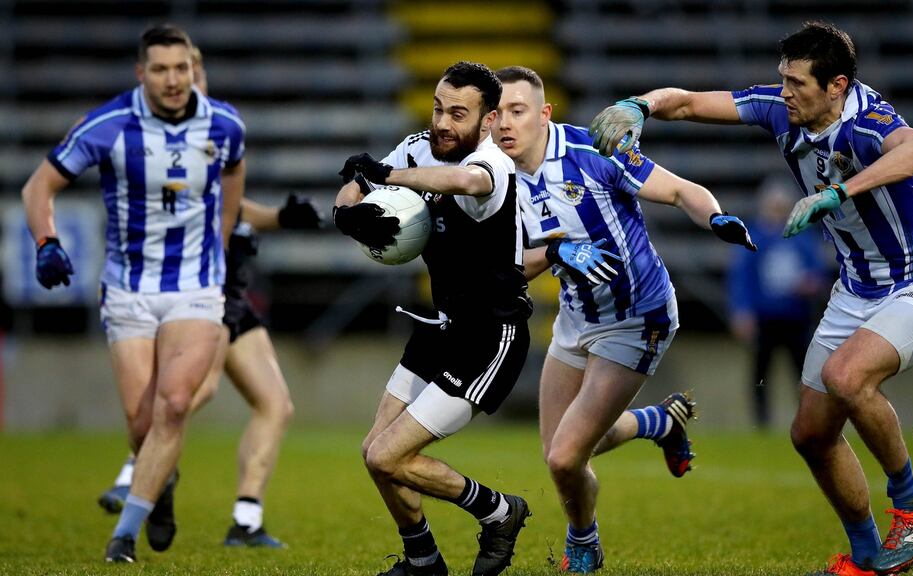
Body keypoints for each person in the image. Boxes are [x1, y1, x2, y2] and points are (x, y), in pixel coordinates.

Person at [590, 20, 913, 576]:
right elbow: (690, 103)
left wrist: (839, 191)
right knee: (811, 435)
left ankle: (912, 507)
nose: (785, 91)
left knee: (847, 377)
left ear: (836, 86)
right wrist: (639, 105)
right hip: (856, 290)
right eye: (783, 79)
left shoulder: (867, 120)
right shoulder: (780, 109)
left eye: (797, 82)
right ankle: (867, 558)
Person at [492, 66, 756, 573]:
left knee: (567, 457)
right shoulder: (491, 178)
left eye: (517, 111)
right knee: (560, 451)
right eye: (496, 113)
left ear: (544, 114)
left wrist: (715, 216)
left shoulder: (594, 151)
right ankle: (659, 422)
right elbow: (507, 270)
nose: (504, 123)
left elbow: (680, 191)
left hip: (638, 317)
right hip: (576, 317)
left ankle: (584, 543)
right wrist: (556, 251)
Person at [22, 24, 246, 563]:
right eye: (161, 69)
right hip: (128, 288)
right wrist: (46, 241)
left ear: (193, 69)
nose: (174, 80)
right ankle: (160, 482)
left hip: (195, 284)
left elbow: (234, 178)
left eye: (182, 68)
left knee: (173, 404)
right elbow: (39, 186)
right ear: (141, 73)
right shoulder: (108, 125)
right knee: (142, 422)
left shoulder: (225, 123)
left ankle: (123, 535)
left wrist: (222, 250)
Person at [92, 44, 319, 550]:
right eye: (172, 72)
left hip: (234, 292)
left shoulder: (215, 134)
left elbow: (234, 210)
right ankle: (139, 470)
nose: (184, 81)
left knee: (276, 404)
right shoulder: (164, 143)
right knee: (194, 391)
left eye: (192, 71)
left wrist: (283, 217)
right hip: (198, 291)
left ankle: (246, 519)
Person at [333, 61, 534, 576]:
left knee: (387, 457)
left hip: (491, 336)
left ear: (488, 120)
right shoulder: (419, 145)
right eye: (439, 108)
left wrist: (384, 176)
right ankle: (423, 559)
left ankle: (500, 511)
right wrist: (347, 213)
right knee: (373, 452)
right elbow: (355, 185)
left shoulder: (494, 164)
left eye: (458, 114)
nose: (443, 122)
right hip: (442, 326)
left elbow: (464, 181)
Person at [728, 175, 828, 428]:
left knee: (803, 373)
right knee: (761, 373)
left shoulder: (801, 235)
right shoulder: (753, 237)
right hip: (765, 317)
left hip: (796, 315)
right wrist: (742, 311)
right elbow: (741, 277)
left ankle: (808, 420)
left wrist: (811, 283)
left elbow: (818, 272)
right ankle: (762, 422)